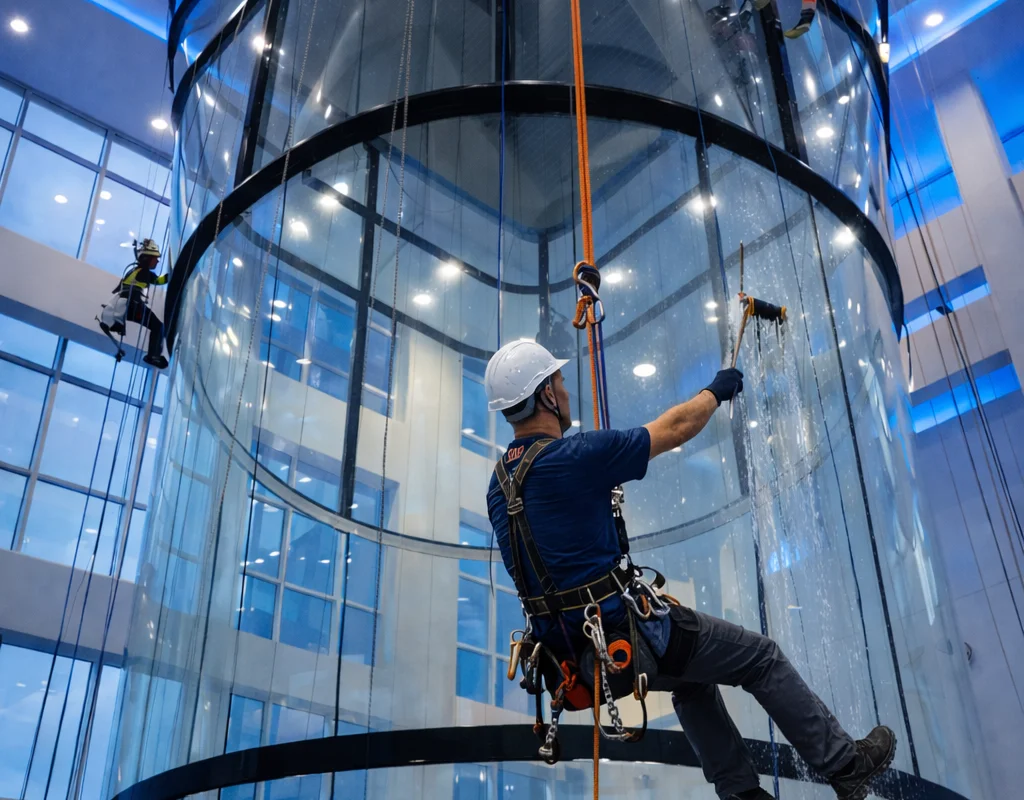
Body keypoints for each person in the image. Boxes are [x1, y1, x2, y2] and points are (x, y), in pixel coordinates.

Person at [484, 340, 896, 800]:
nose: (565, 390)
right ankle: (844, 763)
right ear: (544, 395)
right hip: (623, 633)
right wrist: (716, 392)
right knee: (761, 658)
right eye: (558, 382)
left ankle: (742, 794)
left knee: (691, 680)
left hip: (574, 662)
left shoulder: (498, 487)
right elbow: (675, 427)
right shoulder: (574, 457)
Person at [101, 239, 169, 369]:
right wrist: (173, 274)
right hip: (133, 305)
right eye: (155, 258)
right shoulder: (143, 273)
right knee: (157, 326)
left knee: (157, 326)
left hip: (128, 306)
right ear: (147, 258)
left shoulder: (134, 271)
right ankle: (153, 356)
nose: (158, 261)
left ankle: (153, 355)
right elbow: (159, 281)